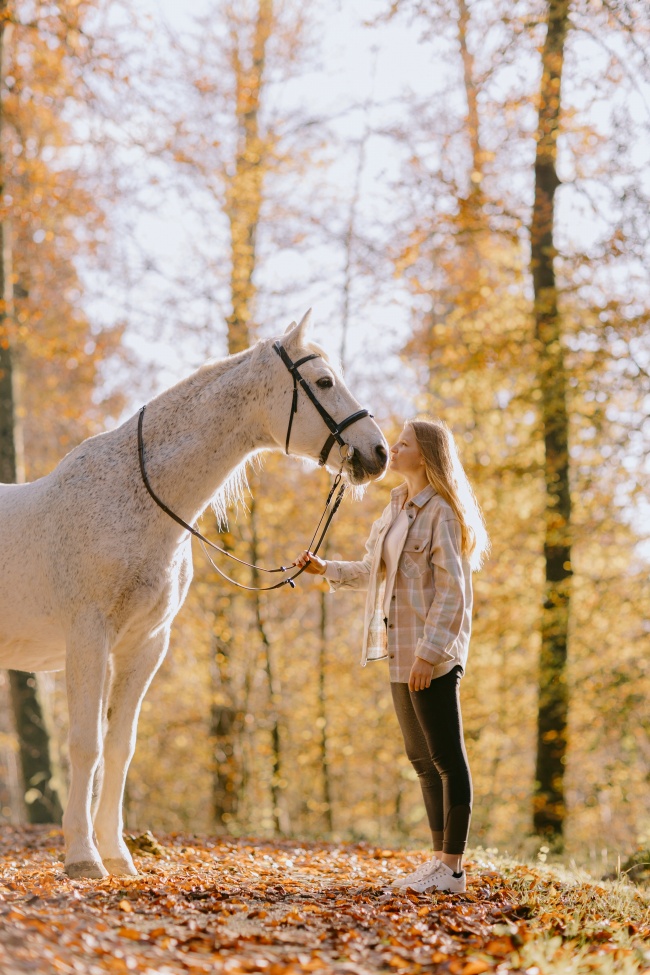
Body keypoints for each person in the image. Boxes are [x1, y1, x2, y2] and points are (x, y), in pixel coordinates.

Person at [296, 417, 489, 893]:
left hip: (430, 654)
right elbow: (373, 571)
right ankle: (438, 864)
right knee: (420, 759)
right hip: (399, 648)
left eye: (402, 444)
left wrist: (430, 653)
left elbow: (454, 592)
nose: (393, 449)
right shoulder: (396, 507)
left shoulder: (443, 512)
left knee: (447, 759)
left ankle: (453, 869)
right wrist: (326, 569)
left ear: (424, 456)